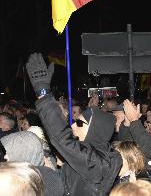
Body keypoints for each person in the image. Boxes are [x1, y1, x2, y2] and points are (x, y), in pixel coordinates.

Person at [26, 53, 125, 196]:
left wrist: (44, 94)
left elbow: (61, 137)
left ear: (94, 130)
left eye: (79, 123)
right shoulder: (91, 156)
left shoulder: (99, 162)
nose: (72, 126)